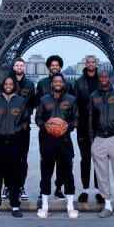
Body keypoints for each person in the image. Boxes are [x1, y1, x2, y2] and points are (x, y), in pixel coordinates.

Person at [0, 76, 30, 218]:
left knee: (14, 176)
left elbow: (26, 120)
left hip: (15, 143)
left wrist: (17, 130)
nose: (8, 86)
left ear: (14, 86)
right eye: (6, 83)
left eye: (11, 84)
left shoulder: (21, 101)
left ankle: (15, 206)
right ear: (2, 85)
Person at [35, 73, 79, 219]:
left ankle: (70, 206)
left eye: (60, 81)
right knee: (46, 173)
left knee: (68, 173)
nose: (58, 83)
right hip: (48, 140)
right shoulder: (43, 100)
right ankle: (45, 206)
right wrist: (45, 125)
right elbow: (38, 119)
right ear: (52, 84)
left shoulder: (71, 100)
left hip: (65, 140)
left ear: (64, 83)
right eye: (55, 81)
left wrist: (68, 126)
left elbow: (76, 119)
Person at [88, 70, 114, 218]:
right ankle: (107, 205)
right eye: (101, 77)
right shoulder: (93, 97)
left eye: (106, 77)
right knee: (102, 174)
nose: (104, 79)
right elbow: (90, 119)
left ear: (110, 78)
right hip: (99, 139)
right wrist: (93, 140)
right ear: (99, 79)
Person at [35, 55, 74, 200]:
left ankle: (58, 187)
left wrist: (66, 125)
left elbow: (71, 105)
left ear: (60, 67)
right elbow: (37, 105)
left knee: (63, 161)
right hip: (46, 132)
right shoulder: (41, 84)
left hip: (63, 131)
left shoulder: (67, 85)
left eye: (57, 65)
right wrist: (45, 124)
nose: (54, 67)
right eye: (52, 65)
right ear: (48, 67)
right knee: (45, 160)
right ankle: (44, 188)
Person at [7, 57, 36, 202]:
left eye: (21, 65)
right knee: (7, 158)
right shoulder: (7, 82)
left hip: (23, 127)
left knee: (22, 159)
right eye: (17, 65)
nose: (19, 67)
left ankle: (20, 186)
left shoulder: (30, 84)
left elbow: (32, 104)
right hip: (8, 127)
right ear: (14, 67)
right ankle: (7, 186)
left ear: (24, 68)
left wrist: (23, 116)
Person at [74, 55, 101, 203]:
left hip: (99, 126)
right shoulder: (78, 82)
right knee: (85, 159)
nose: (90, 64)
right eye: (88, 62)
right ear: (85, 64)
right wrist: (76, 121)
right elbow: (75, 103)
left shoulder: (102, 80)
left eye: (93, 62)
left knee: (99, 159)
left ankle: (99, 190)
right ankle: (85, 190)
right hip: (83, 126)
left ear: (96, 64)